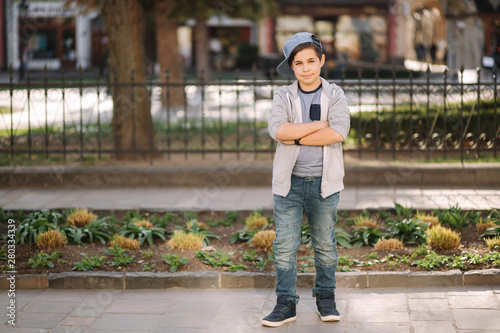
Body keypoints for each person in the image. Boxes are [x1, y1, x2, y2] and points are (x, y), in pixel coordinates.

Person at [262, 32, 350, 327]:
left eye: (311, 60)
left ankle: (326, 298)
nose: (306, 68)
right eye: (298, 63)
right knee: (285, 245)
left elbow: (338, 132)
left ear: (322, 61)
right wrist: (317, 126)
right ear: (291, 67)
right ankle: (286, 303)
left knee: (325, 244)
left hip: (324, 184)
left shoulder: (334, 94)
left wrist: (297, 136)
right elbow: (278, 130)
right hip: (289, 184)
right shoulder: (283, 96)